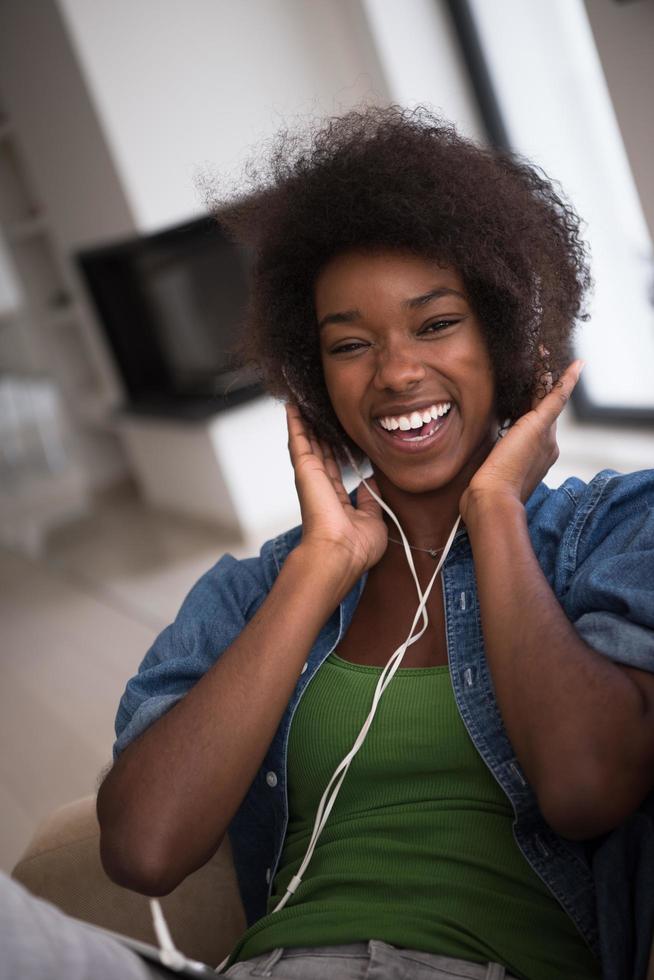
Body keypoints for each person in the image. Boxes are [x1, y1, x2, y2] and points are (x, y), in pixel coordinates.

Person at [3, 106, 653, 980]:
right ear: (313, 377)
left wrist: (496, 508)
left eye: (435, 324)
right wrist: (322, 566)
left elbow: (584, 786)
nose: (394, 373)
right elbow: (145, 849)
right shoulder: (256, 589)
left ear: (504, 337)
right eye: (350, 344)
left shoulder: (612, 530)